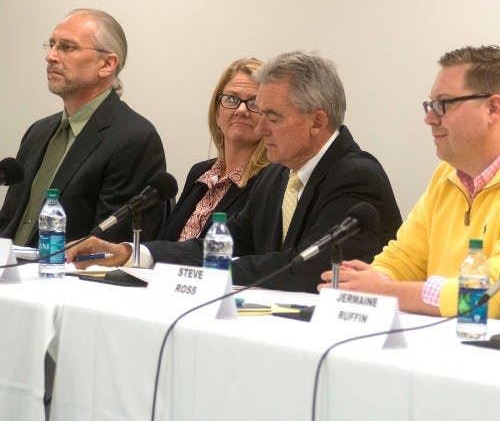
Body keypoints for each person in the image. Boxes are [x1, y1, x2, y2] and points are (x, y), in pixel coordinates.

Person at [68, 51, 402, 293]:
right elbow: (219, 245)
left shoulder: (355, 177)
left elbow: (309, 269)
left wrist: (216, 272)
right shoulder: (277, 176)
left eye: (272, 116)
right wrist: (134, 253)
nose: (259, 125)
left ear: (317, 120)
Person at [322, 45, 500, 319]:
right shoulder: (447, 175)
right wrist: (365, 284)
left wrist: (384, 292)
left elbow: (498, 297)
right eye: (430, 104)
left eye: (442, 104)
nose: (429, 118)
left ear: (493, 109)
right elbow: (404, 259)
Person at [0, 8, 165, 245]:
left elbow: (110, 245)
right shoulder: (37, 133)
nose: (51, 56)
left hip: (68, 278)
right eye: (52, 45)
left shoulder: (134, 138)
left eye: (67, 47)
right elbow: (8, 222)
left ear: (107, 64)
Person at [158, 57, 270, 241]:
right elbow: (165, 241)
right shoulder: (200, 173)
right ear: (217, 112)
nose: (241, 110)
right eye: (232, 99)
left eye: (254, 102)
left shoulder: (269, 181)